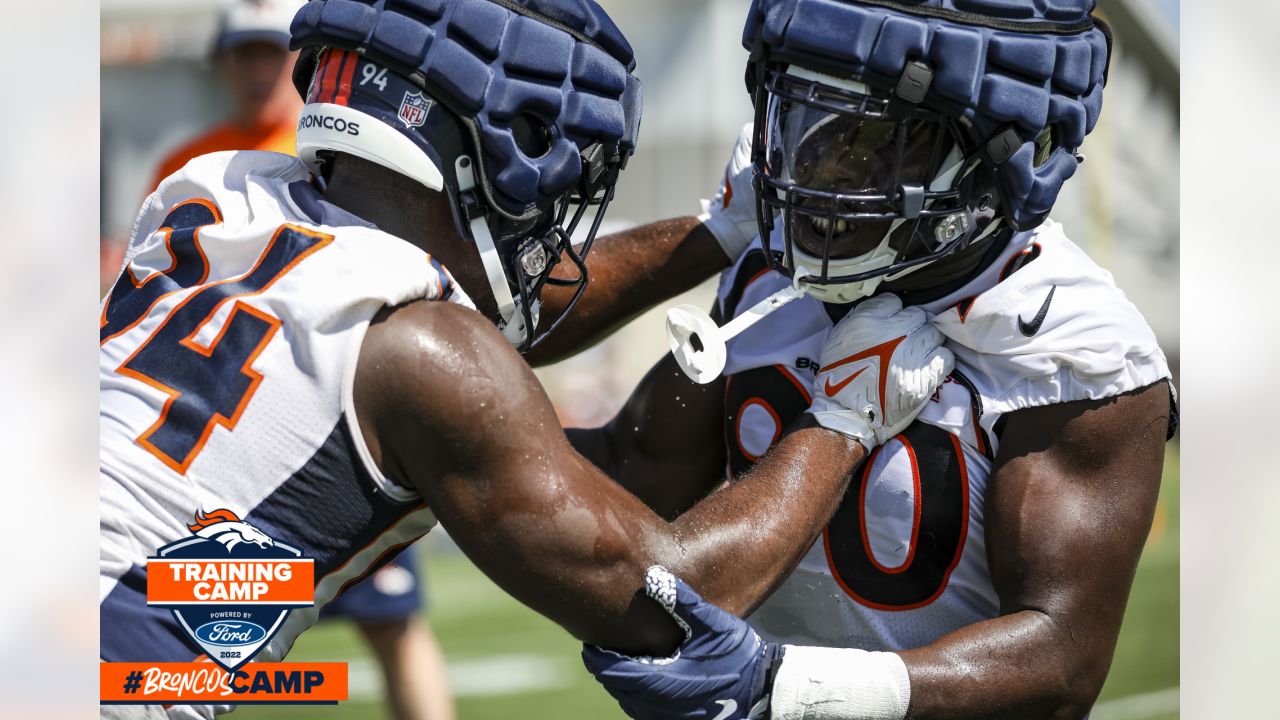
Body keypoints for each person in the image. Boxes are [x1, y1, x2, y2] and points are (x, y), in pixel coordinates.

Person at [98, 1, 955, 718]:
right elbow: (676, 601)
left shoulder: (214, 196)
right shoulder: (422, 353)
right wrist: (841, 421)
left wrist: (717, 232)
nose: (551, 206)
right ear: (472, 148)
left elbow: (489, 314)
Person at [580, 1, 1178, 719]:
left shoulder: (1076, 344)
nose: (818, 165)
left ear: (996, 145)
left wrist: (792, 689)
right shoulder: (773, 275)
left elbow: (1061, 660)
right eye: (803, 117)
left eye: (870, 138)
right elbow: (631, 472)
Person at [148, 0, 306, 192]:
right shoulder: (183, 169)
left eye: (273, 53)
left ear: (303, 58)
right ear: (221, 62)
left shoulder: (327, 158)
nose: (259, 71)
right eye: (245, 54)